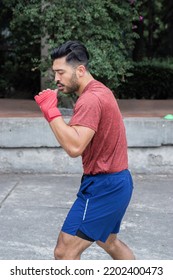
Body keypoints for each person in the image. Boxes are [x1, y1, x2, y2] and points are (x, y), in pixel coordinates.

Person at [34, 40, 135, 260]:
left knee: (64, 252)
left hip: (104, 187)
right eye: (55, 73)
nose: (56, 79)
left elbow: (74, 146)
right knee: (108, 241)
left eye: (61, 72)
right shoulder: (99, 90)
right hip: (116, 182)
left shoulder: (90, 99)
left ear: (80, 70)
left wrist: (51, 112)